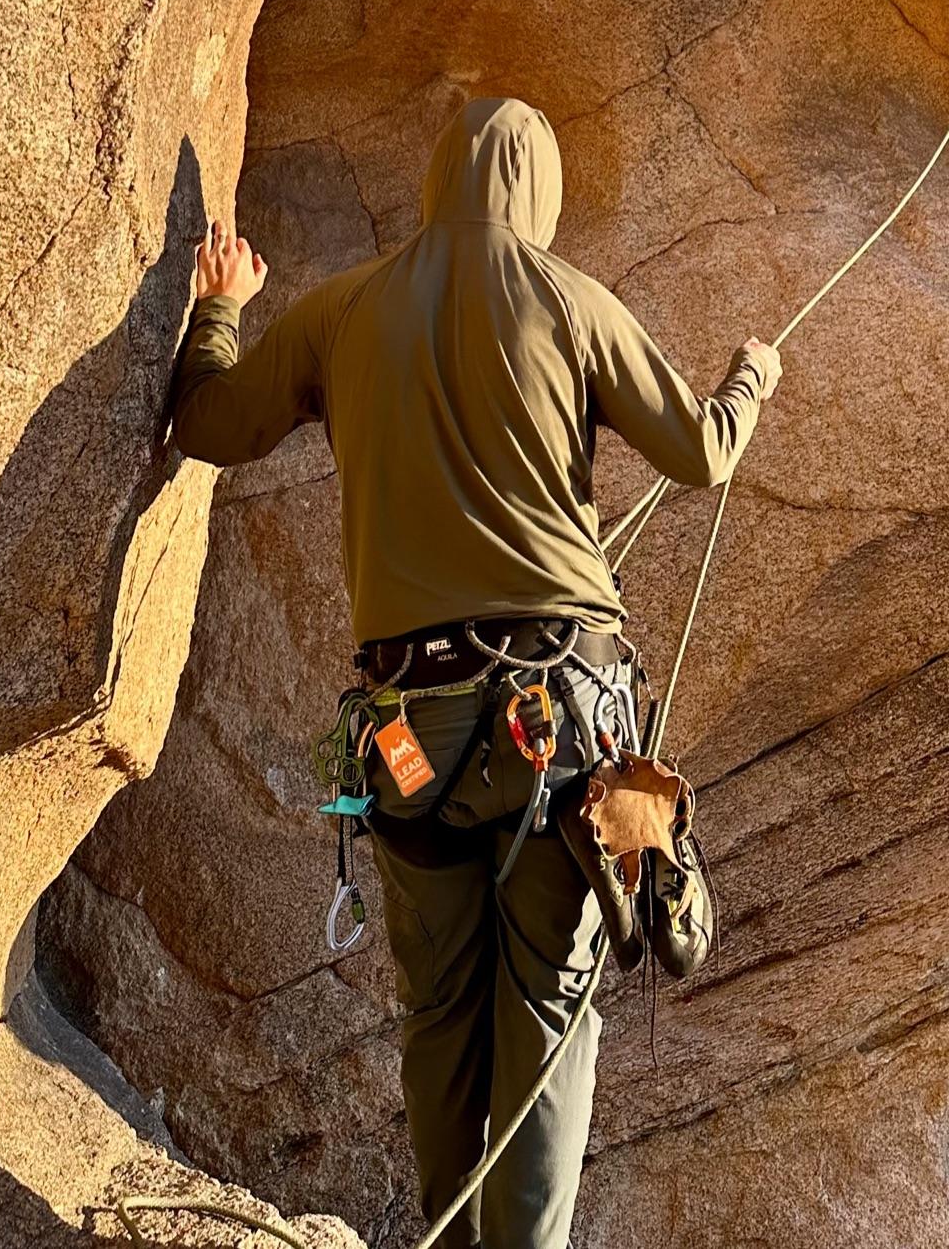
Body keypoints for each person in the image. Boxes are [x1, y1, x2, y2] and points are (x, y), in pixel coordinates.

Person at [169, 96, 780, 1249]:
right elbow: (700, 452)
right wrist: (751, 376)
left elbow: (207, 422)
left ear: (438, 178)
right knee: (545, 1019)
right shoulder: (570, 299)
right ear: (536, 188)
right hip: (562, 719)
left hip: (408, 739)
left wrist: (218, 311)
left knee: (439, 1015)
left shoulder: (340, 309)